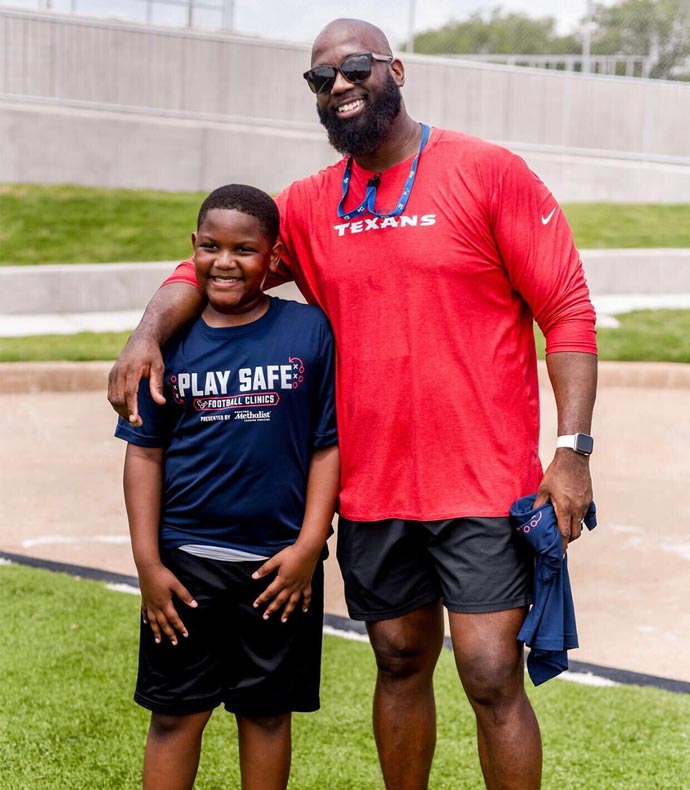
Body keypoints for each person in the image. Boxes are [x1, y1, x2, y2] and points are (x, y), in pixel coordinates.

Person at [109, 19, 597, 790]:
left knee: (490, 669)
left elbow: (567, 310)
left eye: (354, 68)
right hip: (372, 490)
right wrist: (144, 335)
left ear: (394, 69)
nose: (338, 86)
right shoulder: (305, 206)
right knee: (400, 661)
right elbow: (207, 266)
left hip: (484, 480)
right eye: (320, 78)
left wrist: (572, 450)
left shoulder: (488, 171)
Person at [115, 184, 340, 790]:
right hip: (184, 566)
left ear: (273, 258)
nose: (226, 261)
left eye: (245, 249)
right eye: (211, 246)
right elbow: (144, 454)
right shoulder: (168, 341)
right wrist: (147, 563)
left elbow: (327, 446)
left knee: (266, 715)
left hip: (278, 569)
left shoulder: (308, 331)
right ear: (193, 250)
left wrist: (307, 550)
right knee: (174, 715)